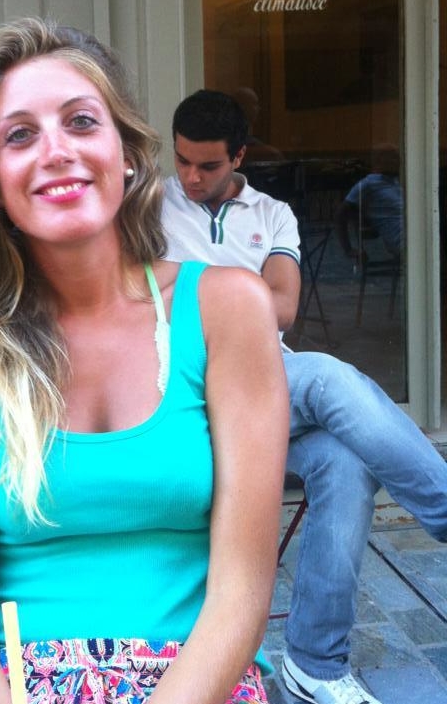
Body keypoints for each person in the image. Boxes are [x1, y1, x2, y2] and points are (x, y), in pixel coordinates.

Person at [0, 18, 289, 704]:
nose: (56, 150)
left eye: (81, 121)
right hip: (19, 683)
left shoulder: (227, 309)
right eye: (19, 135)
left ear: (128, 153)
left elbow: (241, 591)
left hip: (197, 681)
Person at [161, 89, 447, 704]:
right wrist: (241, 298)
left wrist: (192, 293)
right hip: (189, 395)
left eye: (208, 165)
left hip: (261, 392)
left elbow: (284, 308)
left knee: (343, 463)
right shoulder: (148, 208)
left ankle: (314, 663)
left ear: (239, 156)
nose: (190, 177)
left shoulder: (273, 214)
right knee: (326, 377)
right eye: (182, 160)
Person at [335, 143, 403, 260]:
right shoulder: (369, 184)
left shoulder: (396, 182)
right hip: (401, 240)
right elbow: (340, 214)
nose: (398, 161)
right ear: (379, 161)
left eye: (397, 157)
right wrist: (348, 250)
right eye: (393, 157)